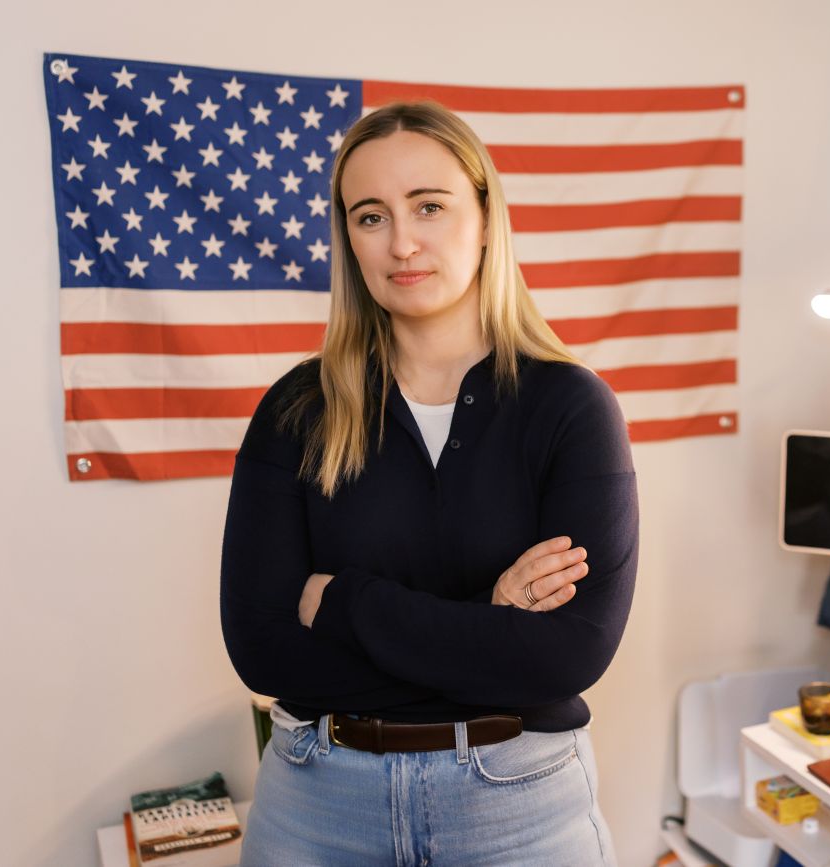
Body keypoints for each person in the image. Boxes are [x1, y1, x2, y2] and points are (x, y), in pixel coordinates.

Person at [220, 100, 638, 866]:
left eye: (429, 206)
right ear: (348, 237)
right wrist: (490, 621)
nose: (402, 242)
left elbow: (566, 656)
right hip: (318, 805)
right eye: (370, 216)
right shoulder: (295, 409)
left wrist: (343, 600)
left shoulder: (572, 406)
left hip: (518, 808)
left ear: (484, 214)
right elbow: (264, 652)